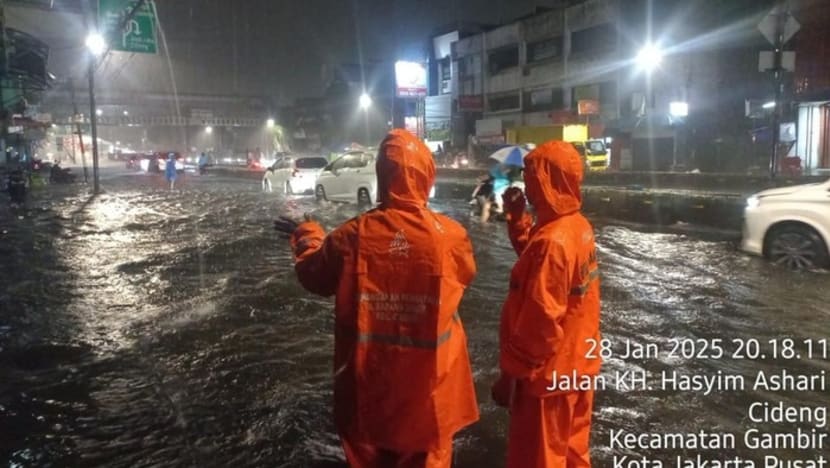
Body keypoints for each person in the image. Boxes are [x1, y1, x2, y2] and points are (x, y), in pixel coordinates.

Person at [275, 129, 479, 467]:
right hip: (430, 397)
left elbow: (314, 275)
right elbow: (464, 278)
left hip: (368, 395)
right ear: (427, 174)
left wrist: (307, 232)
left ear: (382, 175)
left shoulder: (351, 237)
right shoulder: (451, 237)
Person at [491, 140, 601, 468]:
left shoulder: (554, 241)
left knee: (538, 459)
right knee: (572, 455)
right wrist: (518, 219)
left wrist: (510, 377)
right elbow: (538, 265)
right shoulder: (576, 227)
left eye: (533, 179)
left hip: (547, 381)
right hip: (579, 367)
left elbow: (540, 323)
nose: (528, 186)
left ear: (549, 181)